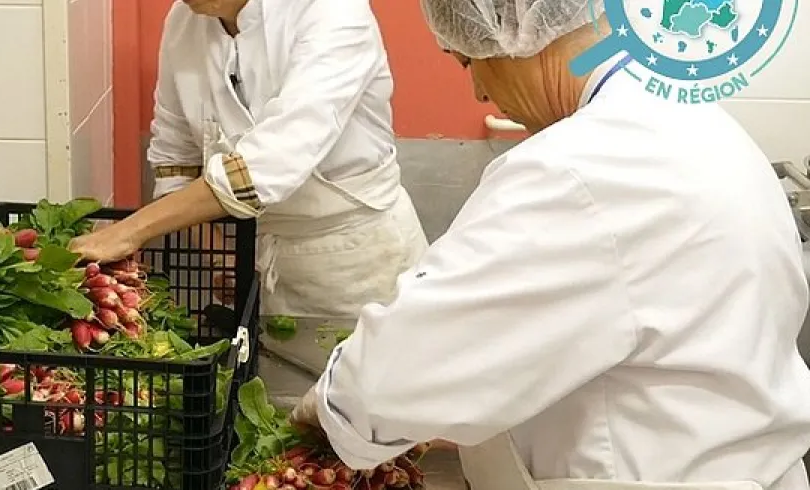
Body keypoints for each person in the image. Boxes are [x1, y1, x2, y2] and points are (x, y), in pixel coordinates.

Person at [290, 0, 810, 488]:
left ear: (513, 34)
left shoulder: (580, 169)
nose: (479, 94)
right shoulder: (689, 118)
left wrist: (328, 405)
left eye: (469, 62)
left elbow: (394, 376)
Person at [67, 0, 429, 318]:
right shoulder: (183, 23)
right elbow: (174, 161)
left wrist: (128, 232)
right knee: (271, 393)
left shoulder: (331, 12)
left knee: (361, 390)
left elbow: (269, 164)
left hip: (358, 262)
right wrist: (221, 255)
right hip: (259, 263)